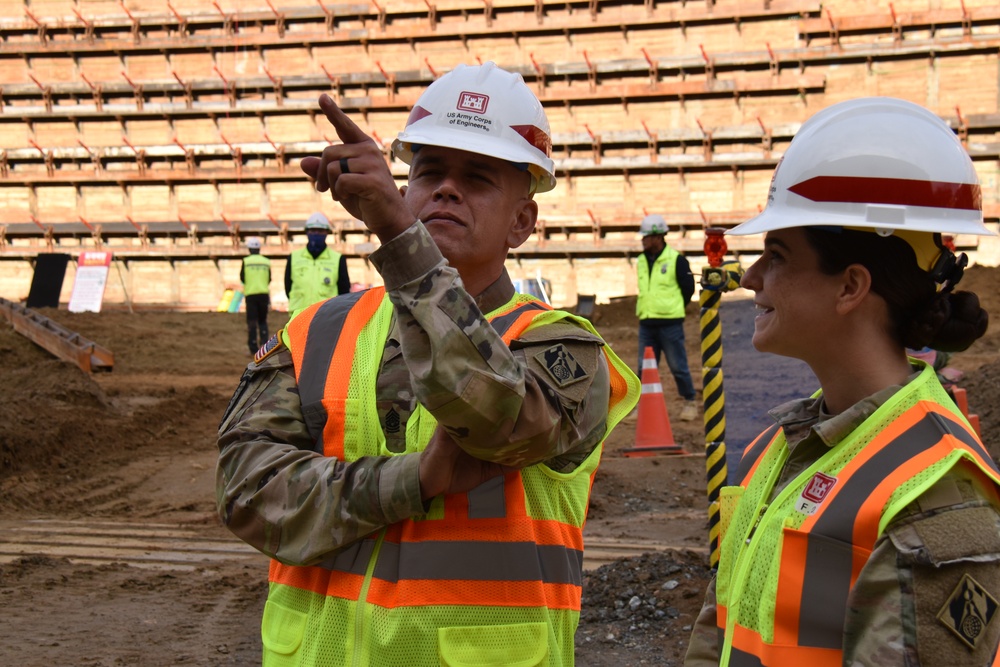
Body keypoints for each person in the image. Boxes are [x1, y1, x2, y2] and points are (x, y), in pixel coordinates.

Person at [216, 62, 640, 666]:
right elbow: (248, 494)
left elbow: (495, 421)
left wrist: (399, 236)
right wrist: (415, 481)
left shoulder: (563, 352)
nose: (445, 189)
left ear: (522, 221)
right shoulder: (316, 333)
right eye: (429, 172)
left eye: (478, 177)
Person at [684, 97, 1000, 667]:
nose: (751, 275)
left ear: (850, 287)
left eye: (776, 254)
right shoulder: (779, 449)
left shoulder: (934, 497)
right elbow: (724, 631)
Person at [636, 213, 698, 421]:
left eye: (646, 236)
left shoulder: (676, 260)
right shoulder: (641, 261)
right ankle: (639, 406)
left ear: (658, 237)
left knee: (678, 367)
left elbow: (688, 288)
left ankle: (690, 401)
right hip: (647, 322)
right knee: (642, 368)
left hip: (670, 323)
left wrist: (675, 306)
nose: (642, 240)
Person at [284, 211, 351, 317]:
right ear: (306, 232)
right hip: (298, 317)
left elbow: (344, 291)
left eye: (320, 231)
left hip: (326, 317)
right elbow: (288, 287)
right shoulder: (293, 258)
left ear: (326, 233)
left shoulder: (338, 259)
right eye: (312, 230)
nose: (316, 234)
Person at [240, 237, 272, 355]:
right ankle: (265, 346)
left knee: (252, 322)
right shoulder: (266, 261)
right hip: (263, 294)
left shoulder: (246, 261)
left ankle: (253, 347)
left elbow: (242, 278)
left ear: (249, 249)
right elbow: (269, 278)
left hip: (251, 294)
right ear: (259, 249)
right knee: (263, 321)